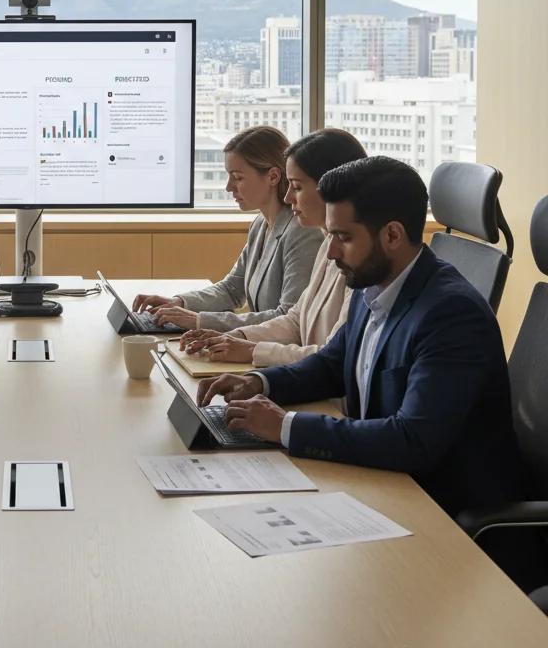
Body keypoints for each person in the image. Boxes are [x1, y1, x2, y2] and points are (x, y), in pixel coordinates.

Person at [197, 156, 527, 520]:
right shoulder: (371, 285)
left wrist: (286, 426)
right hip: (382, 484)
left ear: (392, 235)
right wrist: (258, 383)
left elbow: (412, 441)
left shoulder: (451, 315)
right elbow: (332, 364)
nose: (332, 252)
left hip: (440, 510)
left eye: (343, 237)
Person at [180, 128, 366, 366]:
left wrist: (249, 349)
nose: (288, 197)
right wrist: (236, 338)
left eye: (297, 187)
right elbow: (295, 319)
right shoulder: (324, 239)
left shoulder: (315, 236)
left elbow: (335, 356)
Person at [132, 126, 322, 332]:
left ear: (273, 177)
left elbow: (286, 316)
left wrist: (199, 321)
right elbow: (232, 288)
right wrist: (179, 303)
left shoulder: (303, 232)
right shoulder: (261, 223)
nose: (229, 187)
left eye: (238, 177)